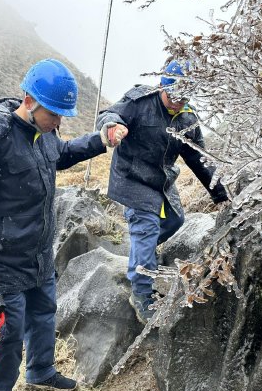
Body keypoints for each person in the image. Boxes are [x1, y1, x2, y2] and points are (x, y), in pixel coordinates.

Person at [0, 58, 127, 391]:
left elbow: (63, 153)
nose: (58, 122)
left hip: (39, 251)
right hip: (0, 258)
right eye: (53, 114)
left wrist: (101, 140)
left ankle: (41, 371)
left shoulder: (43, 132)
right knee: (8, 334)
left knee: (43, 313)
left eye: (60, 115)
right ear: (30, 101)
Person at [96, 59, 228, 324]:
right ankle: (142, 295)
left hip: (161, 181)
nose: (177, 102)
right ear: (162, 86)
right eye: (173, 95)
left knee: (175, 220)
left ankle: (141, 253)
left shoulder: (188, 119)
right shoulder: (140, 101)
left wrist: (221, 195)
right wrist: (112, 126)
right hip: (132, 178)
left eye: (183, 97)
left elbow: (199, 160)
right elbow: (109, 114)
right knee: (146, 227)